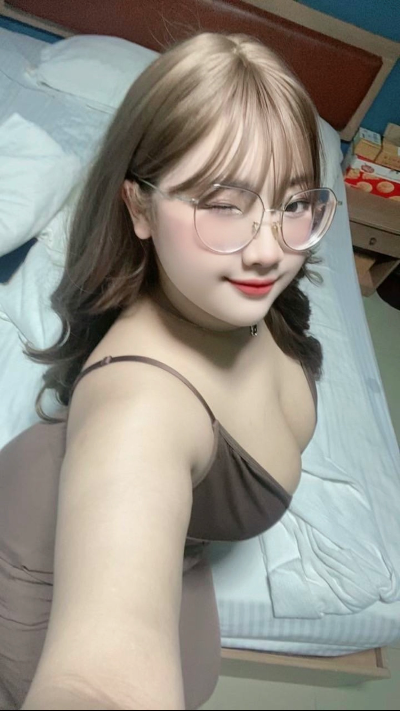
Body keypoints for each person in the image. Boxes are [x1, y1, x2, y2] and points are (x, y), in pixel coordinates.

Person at [0, 31, 339, 710]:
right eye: (223, 205)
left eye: (295, 203)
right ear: (139, 207)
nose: (269, 251)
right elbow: (97, 683)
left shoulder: (252, 293)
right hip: (34, 561)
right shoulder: (139, 411)